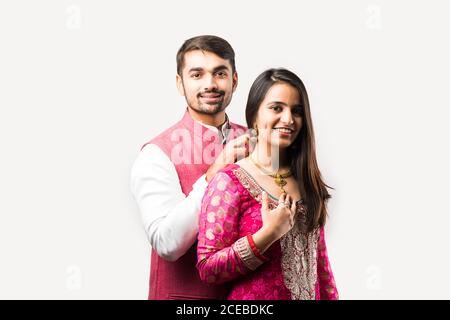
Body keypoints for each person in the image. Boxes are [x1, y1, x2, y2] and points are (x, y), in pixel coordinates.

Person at [196, 68, 339, 300]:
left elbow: (321, 269)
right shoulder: (229, 182)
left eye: (297, 111)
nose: (288, 119)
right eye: (276, 108)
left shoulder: (307, 182)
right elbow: (208, 268)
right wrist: (268, 234)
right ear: (254, 116)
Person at [130, 35, 249, 300]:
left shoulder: (258, 141)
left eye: (220, 73)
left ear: (234, 80)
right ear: (180, 83)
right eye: (197, 74)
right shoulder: (156, 154)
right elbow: (167, 243)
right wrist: (213, 175)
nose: (210, 84)